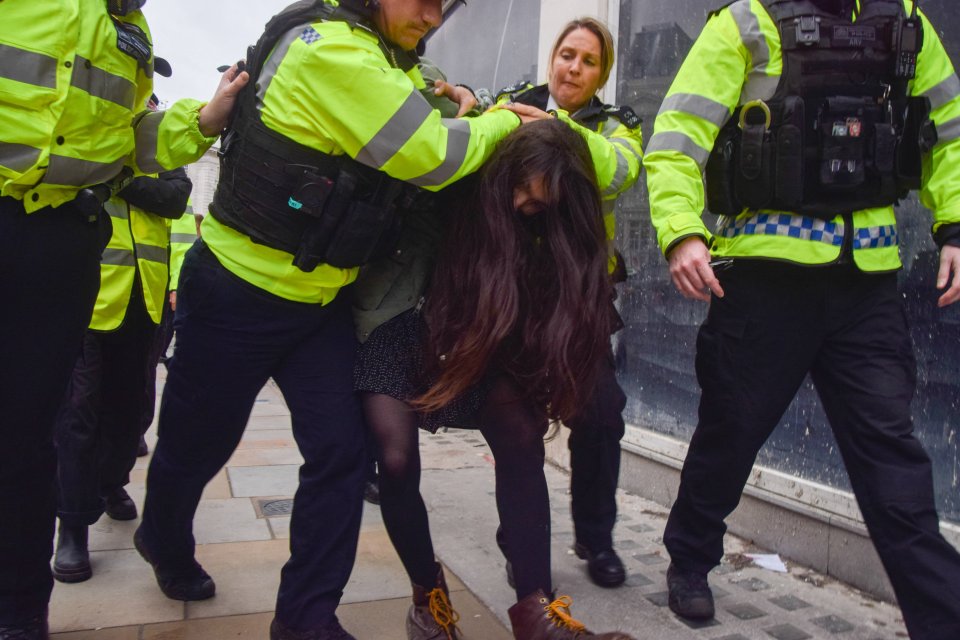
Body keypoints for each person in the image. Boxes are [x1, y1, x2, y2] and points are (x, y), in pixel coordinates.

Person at [133, 2, 528, 639]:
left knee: (342, 456)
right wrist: (502, 122)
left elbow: (426, 101)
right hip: (237, 290)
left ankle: (305, 619)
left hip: (321, 304)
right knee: (196, 444)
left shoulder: (387, 61)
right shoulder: (329, 49)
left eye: (446, 5)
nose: (433, 14)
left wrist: (464, 100)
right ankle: (163, 536)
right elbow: (429, 153)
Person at [644, 0, 960, 637]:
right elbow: (676, 140)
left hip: (865, 285)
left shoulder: (907, 24)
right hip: (764, 281)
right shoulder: (745, 22)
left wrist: (954, 225)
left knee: (894, 468)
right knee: (729, 437)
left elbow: (951, 132)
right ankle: (690, 558)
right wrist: (681, 230)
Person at [0, 0, 244, 636]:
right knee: (70, 423)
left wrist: (206, 117)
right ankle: (71, 530)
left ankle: (21, 612)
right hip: (81, 270)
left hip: (77, 258)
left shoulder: (129, 25)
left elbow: (143, 156)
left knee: (47, 435)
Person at [355, 119, 637, 640]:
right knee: (393, 460)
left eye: (535, 204)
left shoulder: (550, 225)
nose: (518, 206)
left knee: (522, 435)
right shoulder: (465, 170)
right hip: (400, 322)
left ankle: (537, 614)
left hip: (476, 336)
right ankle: (429, 600)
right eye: (518, 191)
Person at [492, 16, 643, 589]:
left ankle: (596, 538)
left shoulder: (616, 130)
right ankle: (520, 541)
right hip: (512, 295)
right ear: (551, 58)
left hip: (580, 300)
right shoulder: (508, 106)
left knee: (601, 414)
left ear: (601, 73)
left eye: (588, 60)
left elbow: (619, 174)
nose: (573, 67)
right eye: (566, 54)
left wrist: (554, 130)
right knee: (518, 425)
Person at [52, 166, 192, 585]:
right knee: (79, 416)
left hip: (144, 302)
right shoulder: (90, 134)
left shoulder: (155, 139)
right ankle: (72, 526)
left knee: (132, 413)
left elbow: (175, 197)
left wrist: (121, 179)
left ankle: (111, 481)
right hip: (85, 301)